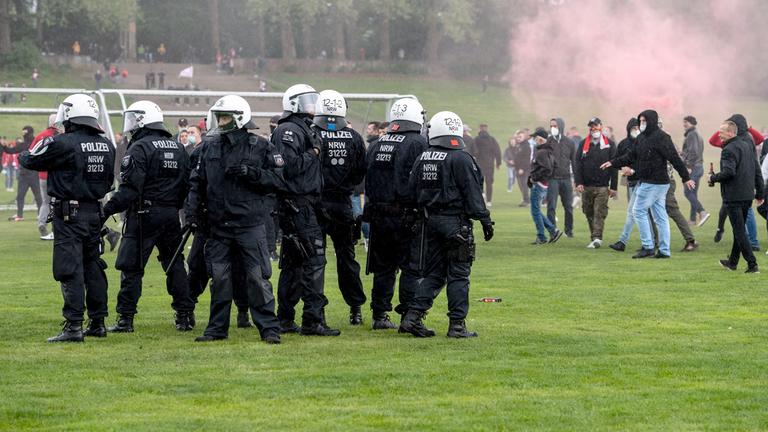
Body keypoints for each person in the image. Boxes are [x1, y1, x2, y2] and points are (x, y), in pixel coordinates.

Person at [186, 95, 284, 344]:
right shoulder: (209, 145)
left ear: (239, 117)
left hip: (250, 224)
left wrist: (253, 174)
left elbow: (279, 181)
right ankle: (216, 329)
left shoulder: (261, 146)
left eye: (225, 116)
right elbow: (197, 182)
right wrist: (193, 213)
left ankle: (269, 329)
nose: (220, 121)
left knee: (257, 277)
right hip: (218, 225)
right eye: (219, 116)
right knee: (219, 278)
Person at [19, 93, 115, 342]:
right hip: (94, 212)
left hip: (69, 215)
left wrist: (48, 138)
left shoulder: (63, 142)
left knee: (69, 268)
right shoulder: (107, 145)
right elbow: (108, 182)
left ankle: (73, 326)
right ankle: (98, 322)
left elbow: (29, 159)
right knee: (93, 266)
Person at [400, 111, 494, 338]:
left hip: (429, 222)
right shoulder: (461, 158)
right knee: (459, 274)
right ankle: (457, 325)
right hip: (455, 223)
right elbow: (473, 193)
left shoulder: (423, 157)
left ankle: (412, 317)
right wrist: (484, 219)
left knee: (436, 273)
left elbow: (411, 191)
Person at [101, 101, 193, 333]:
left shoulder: (140, 148)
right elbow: (186, 185)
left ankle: (125, 319)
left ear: (143, 119)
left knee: (131, 267)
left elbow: (131, 189)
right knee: (174, 265)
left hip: (144, 215)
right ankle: (184, 316)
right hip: (171, 215)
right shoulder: (177, 147)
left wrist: (107, 209)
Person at [272, 84, 339, 337]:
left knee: (294, 263)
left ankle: (285, 319)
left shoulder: (303, 128)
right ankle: (312, 320)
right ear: (292, 103)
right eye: (306, 101)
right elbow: (289, 166)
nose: (311, 105)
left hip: (304, 204)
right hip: (297, 205)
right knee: (314, 261)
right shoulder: (289, 130)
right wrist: (313, 152)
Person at [364, 97, 427, 329]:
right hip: (406, 214)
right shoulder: (417, 143)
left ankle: (379, 315)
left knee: (383, 267)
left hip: (379, 215)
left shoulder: (377, 143)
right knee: (411, 267)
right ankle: (407, 316)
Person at [601, 110, 694, 259]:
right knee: (660, 216)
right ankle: (664, 250)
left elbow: (675, 158)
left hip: (654, 182)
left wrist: (685, 177)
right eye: (640, 121)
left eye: (644, 121)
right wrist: (612, 162)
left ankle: (648, 247)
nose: (641, 124)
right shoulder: (641, 138)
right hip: (652, 182)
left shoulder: (662, 138)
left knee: (638, 211)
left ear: (652, 121)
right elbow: (631, 155)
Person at [313, 90, 368, 325]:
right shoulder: (354, 137)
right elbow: (360, 172)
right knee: (346, 258)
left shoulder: (311, 133)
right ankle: (355, 308)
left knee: (315, 260)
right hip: (343, 204)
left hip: (316, 204)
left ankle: (317, 309)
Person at [710, 118, 763, 273]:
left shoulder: (728, 149)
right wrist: (759, 192)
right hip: (747, 195)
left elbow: (729, 172)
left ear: (731, 132)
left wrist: (713, 178)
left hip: (734, 197)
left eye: (722, 131)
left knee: (739, 231)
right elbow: (756, 170)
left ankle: (752, 265)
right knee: (738, 230)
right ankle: (732, 262)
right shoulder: (747, 145)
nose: (719, 134)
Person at [573, 118, 617, 249]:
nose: (594, 129)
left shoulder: (610, 144)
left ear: (601, 126)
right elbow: (578, 164)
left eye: (596, 126)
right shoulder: (583, 144)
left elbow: (614, 166)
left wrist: (613, 187)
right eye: (592, 126)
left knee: (599, 212)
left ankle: (597, 237)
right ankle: (594, 236)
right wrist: (578, 182)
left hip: (602, 186)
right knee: (588, 212)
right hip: (586, 185)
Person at [609, 118, 643, 252]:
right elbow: (617, 160)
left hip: (643, 181)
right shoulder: (623, 144)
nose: (635, 130)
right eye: (633, 128)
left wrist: (633, 170)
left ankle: (623, 241)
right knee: (638, 213)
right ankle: (651, 242)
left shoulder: (644, 143)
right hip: (631, 182)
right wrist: (623, 168)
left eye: (637, 128)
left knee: (632, 212)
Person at [527, 129, 563, 245]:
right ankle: (553, 231)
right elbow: (555, 167)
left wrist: (534, 178)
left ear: (540, 139)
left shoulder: (541, 152)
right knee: (536, 210)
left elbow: (547, 169)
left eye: (535, 138)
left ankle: (542, 236)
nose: (533, 140)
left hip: (538, 184)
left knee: (535, 211)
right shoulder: (548, 151)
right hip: (543, 184)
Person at [3, 126, 43, 222]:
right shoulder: (27, 144)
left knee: (35, 196)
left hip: (31, 174)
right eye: (23, 133)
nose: (24, 135)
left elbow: (9, 150)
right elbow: (10, 151)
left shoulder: (33, 144)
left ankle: (38, 215)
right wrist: (4, 146)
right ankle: (23, 215)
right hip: (27, 175)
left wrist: (4, 146)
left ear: (30, 133)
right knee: (24, 196)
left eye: (25, 133)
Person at [31, 114, 61, 240]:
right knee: (57, 202)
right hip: (55, 175)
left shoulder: (40, 136)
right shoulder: (59, 136)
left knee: (45, 202)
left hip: (42, 175)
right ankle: (56, 229)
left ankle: (41, 223)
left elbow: (31, 152)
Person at [546, 117, 575, 237]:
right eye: (551, 126)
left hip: (566, 179)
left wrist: (576, 180)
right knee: (551, 206)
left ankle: (569, 231)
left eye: (555, 126)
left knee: (568, 207)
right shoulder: (548, 142)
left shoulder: (569, 142)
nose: (553, 128)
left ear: (561, 127)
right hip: (552, 179)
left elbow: (574, 162)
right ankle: (553, 231)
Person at [681, 116, 709, 226]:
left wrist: (688, 166)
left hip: (694, 168)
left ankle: (702, 212)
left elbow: (693, 152)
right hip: (698, 167)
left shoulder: (692, 134)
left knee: (687, 192)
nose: (684, 124)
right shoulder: (695, 133)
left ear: (692, 123)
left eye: (686, 122)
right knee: (693, 193)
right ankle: (692, 220)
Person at [473, 124, 502, 207]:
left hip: (479, 164)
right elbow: (497, 151)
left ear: (479, 129)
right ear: (486, 129)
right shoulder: (492, 139)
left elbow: (475, 152)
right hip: (489, 165)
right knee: (489, 182)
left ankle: (482, 195)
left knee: (479, 181)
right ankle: (489, 201)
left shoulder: (476, 140)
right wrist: (498, 163)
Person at [511, 129, 532, 206]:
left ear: (524, 137)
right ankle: (525, 199)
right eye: (518, 137)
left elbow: (526, 159)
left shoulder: (526, 146)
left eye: (520, 137)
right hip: (517, 169)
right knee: (521, 185)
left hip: (524, 169)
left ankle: (527, 201)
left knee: (524, 185)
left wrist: (522, 168)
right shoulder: (519, 145)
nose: (518, 138)